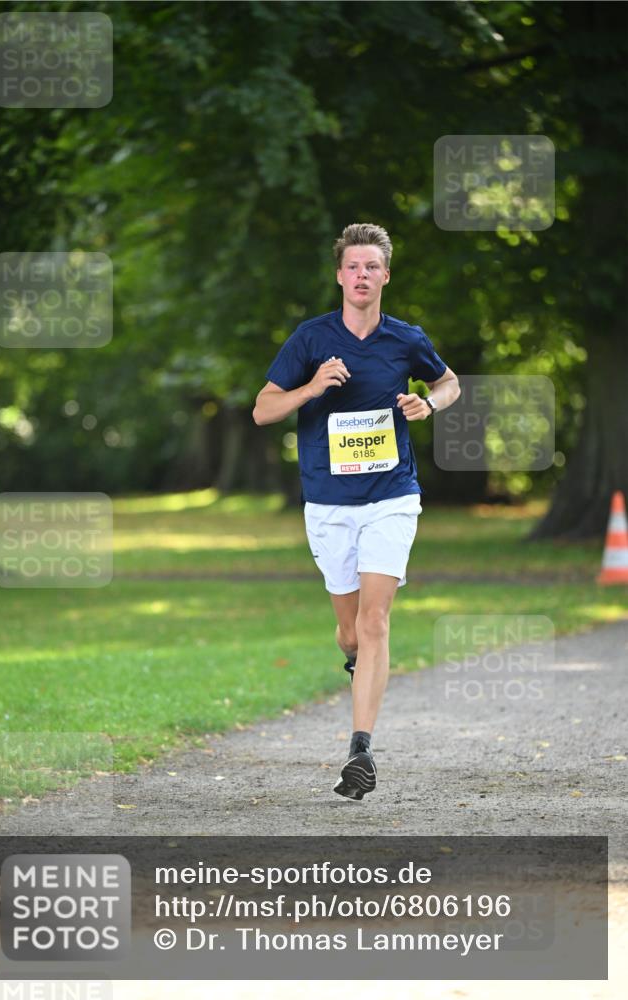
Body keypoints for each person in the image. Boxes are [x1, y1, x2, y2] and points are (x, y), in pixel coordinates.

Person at [253, 222, 460, 801]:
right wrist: (312, 387)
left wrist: (429, 402)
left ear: (385, 275)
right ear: (340, 275)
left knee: (375, 622)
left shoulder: (404, 338)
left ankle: (360, 749)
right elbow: (263, 411)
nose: (362, 275)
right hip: (329, 504)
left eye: (372, 266)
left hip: (392, 498)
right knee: (349, 633)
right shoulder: (311, 340)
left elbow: (449, 383)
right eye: (353, 266)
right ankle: (356, 662)